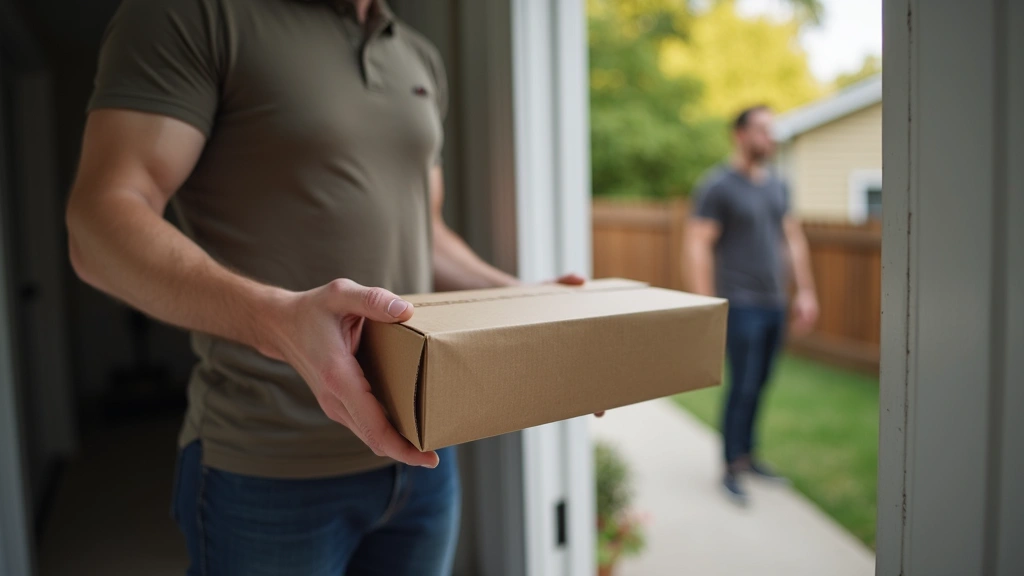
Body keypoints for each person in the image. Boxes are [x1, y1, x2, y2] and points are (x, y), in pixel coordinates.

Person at [65, 0, 582, 573]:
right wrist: (276, 320)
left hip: (423, 451)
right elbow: (99, 222)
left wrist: (521, 298)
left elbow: (424, 231)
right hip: (268, 468)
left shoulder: (416, 56)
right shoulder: (193, 16)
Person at [685, 105, 819, 505]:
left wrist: (807, 291)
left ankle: (748, 455)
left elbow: (792, 239)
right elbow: (696, 246)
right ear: (739, 135)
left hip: (775, 303)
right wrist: (708, 307)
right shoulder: (717, 186)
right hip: (740, 303)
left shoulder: (778, 186)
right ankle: (729, 466)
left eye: (772, 130)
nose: (770, 138)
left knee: (760, 384)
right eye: (762, 130)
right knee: (741, 386)